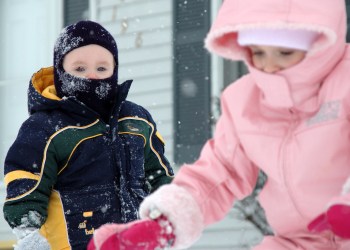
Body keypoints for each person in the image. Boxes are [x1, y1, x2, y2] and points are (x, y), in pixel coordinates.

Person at [87, 0, 350, 249]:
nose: (268, 66)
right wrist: (164, 223)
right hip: (298, 241)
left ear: (320, 43)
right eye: (258, 52)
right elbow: (219, 173)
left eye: (284, 51)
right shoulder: (246, 102)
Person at [2, 20, 174, 250]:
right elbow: (27, 181)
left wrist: (170, 211)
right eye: (80, 69)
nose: (92, 76)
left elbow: (158, 174)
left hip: (136, 242)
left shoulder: (136, 119)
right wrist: (29, 234)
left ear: (115, 70)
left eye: (102, 68)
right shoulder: (46, 127)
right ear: (61, 72)